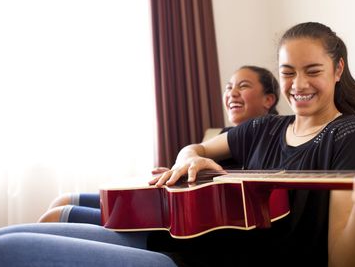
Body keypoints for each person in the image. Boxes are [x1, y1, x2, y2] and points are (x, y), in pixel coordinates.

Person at [0, 22, 355, 267]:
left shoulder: (348, 134)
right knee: (7, 234)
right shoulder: (264, 128)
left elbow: (342, 261)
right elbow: (198, 149)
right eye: (287, 72)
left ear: (338, 69)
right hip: (173, 240)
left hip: (195, 264)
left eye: (312, 70)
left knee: (4, 251)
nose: (298, 84)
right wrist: (191, 161)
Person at [37, 65, 280, 225]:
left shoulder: (268, 139)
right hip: (170, 200)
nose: (232, 93)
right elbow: (194, 154)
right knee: (62, 200)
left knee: (56, 215)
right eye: (229, 87)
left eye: (244, 86)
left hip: (179, 217)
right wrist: (181, 170)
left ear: (269, 99)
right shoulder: (224, 135)